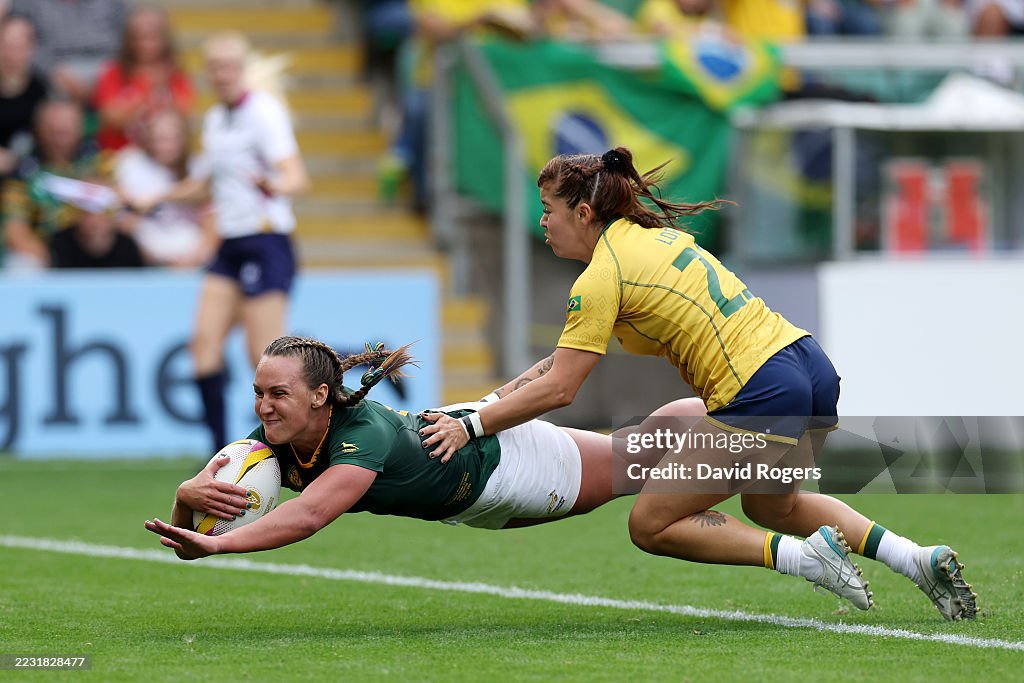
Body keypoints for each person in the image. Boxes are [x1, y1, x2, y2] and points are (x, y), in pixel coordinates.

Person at [419, 147, 979, 621]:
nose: (542, 222)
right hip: (809, 367)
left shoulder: (600, 277)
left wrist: (471, 425)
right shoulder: (649, 239)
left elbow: (562, 389)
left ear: (584, 212)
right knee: (775, 506)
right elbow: (555, 366)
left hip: (761, 390)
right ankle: (914, 557)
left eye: (547, 210)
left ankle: (806, 559)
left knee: (651, 523)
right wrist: (491, 403)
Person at [144, 335, 889, 616]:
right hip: (473, 450)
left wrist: (219, 549)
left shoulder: (361, 433)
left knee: (641, 469)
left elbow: (306, 518)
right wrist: (189, 508)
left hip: (508, 468)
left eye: (275, 393)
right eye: (258, 392)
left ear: (318, 396)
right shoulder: (266, 443)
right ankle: (776, 457)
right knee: (646, 446)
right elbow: (204, 521)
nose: (261, 405)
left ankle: (792, 500)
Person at [136, 32, 309, 454]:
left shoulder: (264, 113)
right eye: (216, 68)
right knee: (204, 347)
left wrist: (274, 183)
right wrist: (155, 197)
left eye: (230, 67)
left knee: (268, 360)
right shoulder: (215, 119)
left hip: (266, 241)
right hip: (230, 245)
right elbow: (205, 186)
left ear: (243, 70)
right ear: (207, 73)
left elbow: (296, 176)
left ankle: (300, 445)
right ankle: (219, 452)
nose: (223, 75)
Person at [1, 98, 101, 270]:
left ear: (80, 129)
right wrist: (54, 259)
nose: (59, 139)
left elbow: (119, 213)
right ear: (38, 130)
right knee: (20, 266)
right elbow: (14, 232)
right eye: (53, 131)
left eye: (66, 131)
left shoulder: (99, 164)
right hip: (45, 256)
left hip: (96, 248)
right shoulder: (22, 173)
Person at [114, 110, 215, 267]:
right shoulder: (131, 165)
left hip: (193, 258)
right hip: (145, 258)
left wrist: (158, 198)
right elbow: (122, 216)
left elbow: (206, 196)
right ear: (148, 139)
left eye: (173, 139)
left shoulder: (198, 166)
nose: (166, 146)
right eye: (160, 139)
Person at [93, 5, 195, 152]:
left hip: (162, 155)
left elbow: (184, 117)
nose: (144, 44)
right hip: (119, 153)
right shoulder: (113, 71)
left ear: (164, 38)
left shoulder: (175, 73)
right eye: (137, 37)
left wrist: (164, 87)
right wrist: (147, 87)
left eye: (151, 37)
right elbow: (110, 118)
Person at [8, 0, 127, 105]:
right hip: (56, 72)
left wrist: (110, 75)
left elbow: (128, 36)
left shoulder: (111, 3)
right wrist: (53, 70)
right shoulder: (27, 3)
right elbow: (19, 39)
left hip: (109, 68)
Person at [0, 15, 49, 179]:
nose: (12, 54)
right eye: (8, 46)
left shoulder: (41, 88)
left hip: (28, 170)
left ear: (32, 48)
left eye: (20, 47)